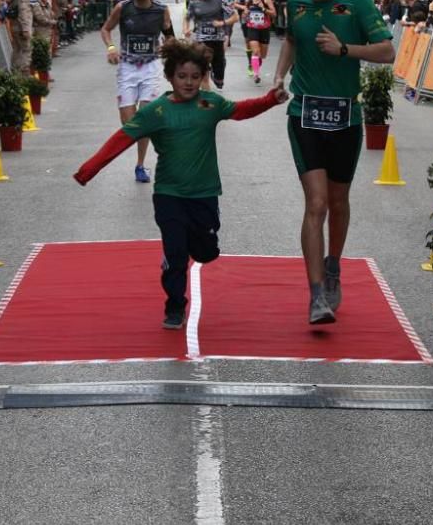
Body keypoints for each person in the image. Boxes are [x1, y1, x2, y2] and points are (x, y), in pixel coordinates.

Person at [74, 39, 288, 329]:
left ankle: (185, 255)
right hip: (169, 193)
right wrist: (88, 170)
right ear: (169, 77)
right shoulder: (156, 111)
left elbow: (240, 110)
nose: (188, 83)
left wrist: (270, 99)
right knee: (176, 255)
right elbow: (122, 138)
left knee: (205, 252)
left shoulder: (210, 104)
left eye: (195, 77)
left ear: (203, 78)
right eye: (182, 76)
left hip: (204, 194)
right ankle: (174, 304)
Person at [273, 0, 395, 324]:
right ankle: (315, 297)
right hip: (305, 116)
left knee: (338, 203)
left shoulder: (356, 4)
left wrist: (345, 50)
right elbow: (291, 41)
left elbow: (387, 52)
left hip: (346, 118)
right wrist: (279, 77)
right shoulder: (296, 3)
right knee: (317, 203)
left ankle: (333, 266)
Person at [100, 0, 175, 184]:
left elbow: (170, 37)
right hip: (128, 69)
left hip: (151, 68)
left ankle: (140, 165)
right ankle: (141, 155)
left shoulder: (161, 10)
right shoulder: (123, 8)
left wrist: (167, 47)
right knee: (129, 123)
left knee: (146, 117)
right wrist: (111, 48)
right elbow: (106, 29)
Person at [184, 0, 237, 89]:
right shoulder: (194, 3)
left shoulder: (220, 0)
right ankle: (206, 103)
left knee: (219, 80)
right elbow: (187, 18)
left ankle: (216, 75)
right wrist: (186, 30)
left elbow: (235, 17)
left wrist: (222, 23)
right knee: (203, 75)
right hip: (201, 42)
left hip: (217, 41)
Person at [235, 0, 276, 85]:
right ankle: (256, 74)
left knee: (263, 55)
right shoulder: (249, 0)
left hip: (264, 29)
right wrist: (245, 13)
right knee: (255, 51)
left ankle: (255, 64)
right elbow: (244, 15)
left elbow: (274, 13)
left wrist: (263, 8)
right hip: (252, 28)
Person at [9, 0, 34, 73]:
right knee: (26, 50)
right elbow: (23, 12)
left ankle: (14, 72)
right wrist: (25, 29)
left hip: (14, 26)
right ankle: (24, 72)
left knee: (16, 50)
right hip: (21, 27)